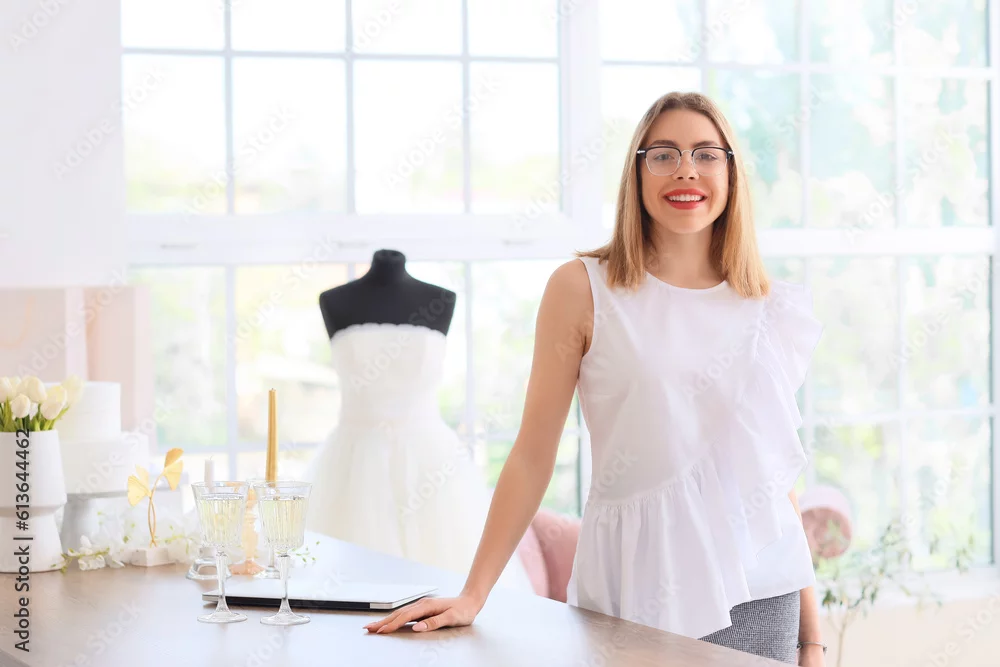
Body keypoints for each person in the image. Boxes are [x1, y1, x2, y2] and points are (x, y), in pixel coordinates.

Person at [364, 91, 827, 666]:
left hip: (763, 598)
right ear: (637, 172)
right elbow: (532, 454)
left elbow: (774, 481)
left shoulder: (764, 305)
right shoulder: (584, 288)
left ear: (731, 172)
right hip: (635, 589)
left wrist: (812, 640)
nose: (686, 170)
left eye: (707, 154)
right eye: (664, 154)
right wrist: (474, 594)